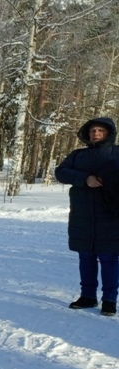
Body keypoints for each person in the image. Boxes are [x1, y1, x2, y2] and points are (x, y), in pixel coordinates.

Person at [54, 117, 119, 316]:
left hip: (111, 213)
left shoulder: (116, 153)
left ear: (109, 133)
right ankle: (88, 296)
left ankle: (109, 300)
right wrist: (85, 178)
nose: (96, 134)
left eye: (100, 130)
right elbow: (61, 172)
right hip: (82, 215)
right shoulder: (77, 155)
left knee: (109, 257)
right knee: (86, 256)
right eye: (92, 131)